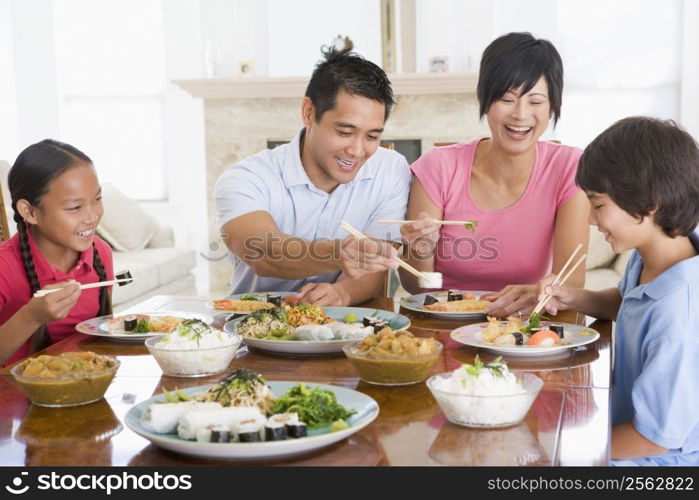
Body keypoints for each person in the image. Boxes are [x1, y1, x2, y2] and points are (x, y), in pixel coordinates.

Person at [538, 117, 699, 465]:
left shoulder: (679, 317)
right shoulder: (653, 258)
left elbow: (652, 439)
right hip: (622, 430)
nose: (591, 221)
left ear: (649, 203)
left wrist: (563, 451)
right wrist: (576, 297)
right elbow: (628, 301)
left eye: (598, 206)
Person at [399, 32, 589, 317]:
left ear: (552, 107)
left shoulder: (569, 168)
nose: (521, 115)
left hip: (524, 326)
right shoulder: (438, 166)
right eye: (506, 99)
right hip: (446, 321)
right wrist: (419, 248)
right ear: (486, 100)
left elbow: (571, 282)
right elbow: (417, 287)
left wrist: (544, 293)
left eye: (535, 102)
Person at [214, 50, 410, 306]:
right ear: (308, 112)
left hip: (342, 325)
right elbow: (262, 252)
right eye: (344, 132)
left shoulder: (391, 170)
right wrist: (338, 253)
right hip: (253, 322)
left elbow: (373, 268)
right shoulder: (247, 178)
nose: (358, 150)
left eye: (372, 137)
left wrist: (342, 293)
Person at [0, 140, 113, 366]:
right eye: (74, 207)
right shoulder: (4, 268)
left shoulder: (100, 252)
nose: (92, 217)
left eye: (97, 199)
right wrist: (30, 317)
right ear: (29, 211)